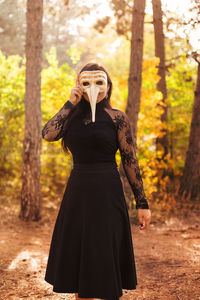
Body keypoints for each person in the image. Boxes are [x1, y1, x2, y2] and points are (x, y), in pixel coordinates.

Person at [42, 61, 151, 300]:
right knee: (82, 259)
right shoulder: (69, 117)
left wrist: (141, 203)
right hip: (78, 193)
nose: (94, 87)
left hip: (108, 192)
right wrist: (70, 103)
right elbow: (48, 134)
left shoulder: (117, 118)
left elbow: (130, 160)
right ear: (78, 85)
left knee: (105, 254)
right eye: (87, 82)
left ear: (108, 86)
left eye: (100, 82)